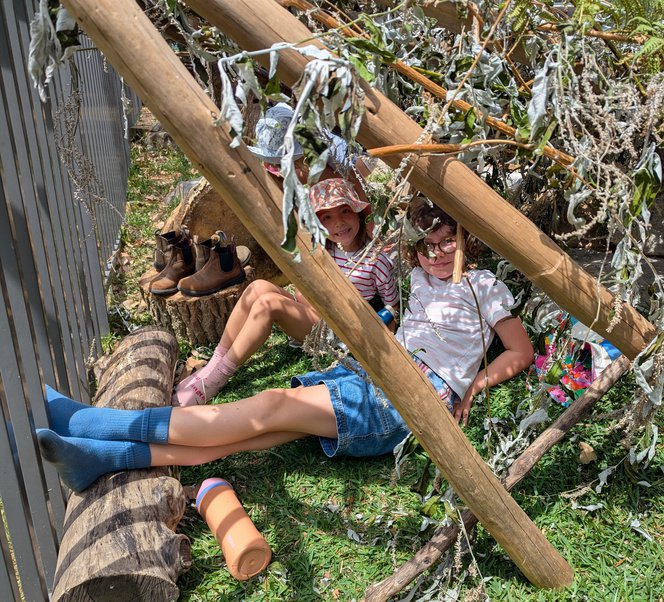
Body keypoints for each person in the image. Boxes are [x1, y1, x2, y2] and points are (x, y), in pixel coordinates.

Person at [36, 201, 535, 493]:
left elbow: (520, 351)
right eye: (428, 246)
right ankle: (101, 460)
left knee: (271, 405)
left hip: (417, 396)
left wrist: (476, 384)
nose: (439, 254)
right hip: (377, 375)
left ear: (466, 239)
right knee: (244, 437)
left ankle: (93, 423)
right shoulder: (420, 279)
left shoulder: (484, 285)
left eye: (449, 242)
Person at [171, 177, 399, 406]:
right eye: (327, 217)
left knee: (268, 304)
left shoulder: (375, 259)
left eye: (345, 211)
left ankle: (215, 380)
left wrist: (379, 352)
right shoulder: (325, 248)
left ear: (358, 213)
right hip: (314, 315)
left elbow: (393, 307)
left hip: (337, 334)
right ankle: (213, 364)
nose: (338, 223)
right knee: (257, 288)